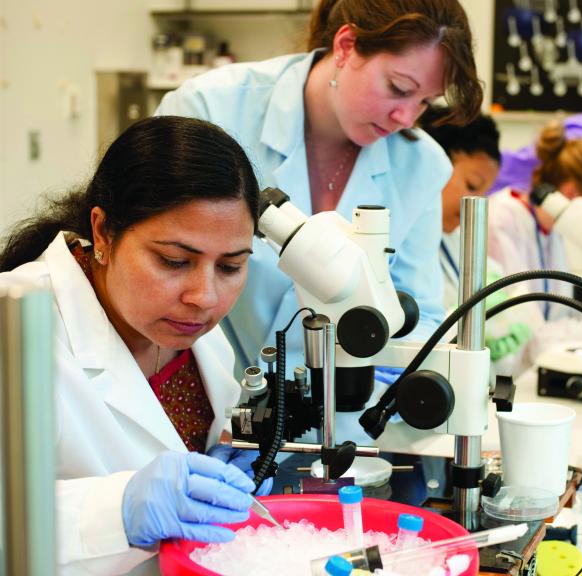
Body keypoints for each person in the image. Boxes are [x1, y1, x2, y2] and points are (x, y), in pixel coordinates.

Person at [154, 0, 484, 396]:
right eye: (399, 89)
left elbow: (421, 311)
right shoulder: (209, 110)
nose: (406, 118)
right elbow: (157, 278)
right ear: (346, 46)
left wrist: (385, 385)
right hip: (204, 394)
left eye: (426, 102)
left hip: (340, 413)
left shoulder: (420, 164)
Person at [0, 116, 273, 575]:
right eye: (173, 260)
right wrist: (117, 512)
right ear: (104, 233)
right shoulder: (16, 324)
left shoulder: (190, 332)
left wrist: (223, 459)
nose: (204, 296)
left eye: (229, 267)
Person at [487, 122, 582, 367]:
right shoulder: (502, 219)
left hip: (545, 365)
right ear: (573, 193)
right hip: (510, 373)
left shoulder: (559, 229)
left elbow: (566, 317)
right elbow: (531, 333)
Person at [420, 106, 535, 378]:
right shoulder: (399, 239)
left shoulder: (454, 236)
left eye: (484, 193)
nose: (476, 204)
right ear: (432, 164)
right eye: (471, 186)